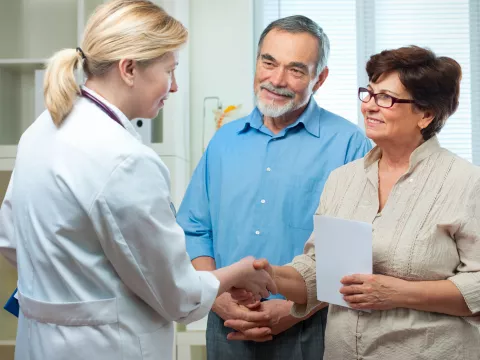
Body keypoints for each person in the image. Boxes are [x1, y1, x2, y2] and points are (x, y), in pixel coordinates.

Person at [0, 1, 276, 359]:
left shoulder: (41, 130)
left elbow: (10, 242)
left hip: (39, 342)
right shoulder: (124, 159)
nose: (174, 87)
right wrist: (237, 273)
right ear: (129, 69)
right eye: (169, 70)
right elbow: (179, 297)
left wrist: (67, 290)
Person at [249, 45, 480, 359]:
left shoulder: (467, 182)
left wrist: (398, 293)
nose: (370, 106)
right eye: (369, 94)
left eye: (386, 98)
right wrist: (268, 276)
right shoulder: (342, 180)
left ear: (425, 115)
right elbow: (319, 273)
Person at [176, 15, 372, 360]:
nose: (276, 80)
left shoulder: (349, 144)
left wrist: (294, 310)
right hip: (226, 325)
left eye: (296, 70)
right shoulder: (224, 141)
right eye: (269, 63)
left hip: (309, 328)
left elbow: (350, 257)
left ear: (320, 77)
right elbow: (194, 230)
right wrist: (217, 298)